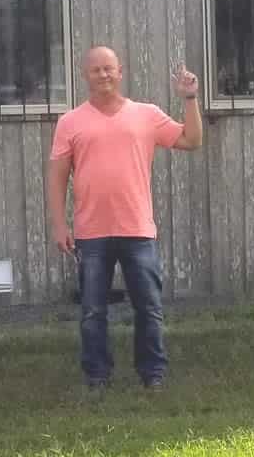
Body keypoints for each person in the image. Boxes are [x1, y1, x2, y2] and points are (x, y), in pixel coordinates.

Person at [48, 46, 202, 390]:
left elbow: (192, 140)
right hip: (91, 234)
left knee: (149, 309)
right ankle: (97, 377)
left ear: (120, 72)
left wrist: (189, 99)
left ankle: (153, 375)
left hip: (137, 231)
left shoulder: (146, 115)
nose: (103, 75)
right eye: (96, 70)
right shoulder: (70, 122)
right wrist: (60, 224)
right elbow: (57, 177)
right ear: (85, 76)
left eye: (109, 69)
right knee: (92, 312)